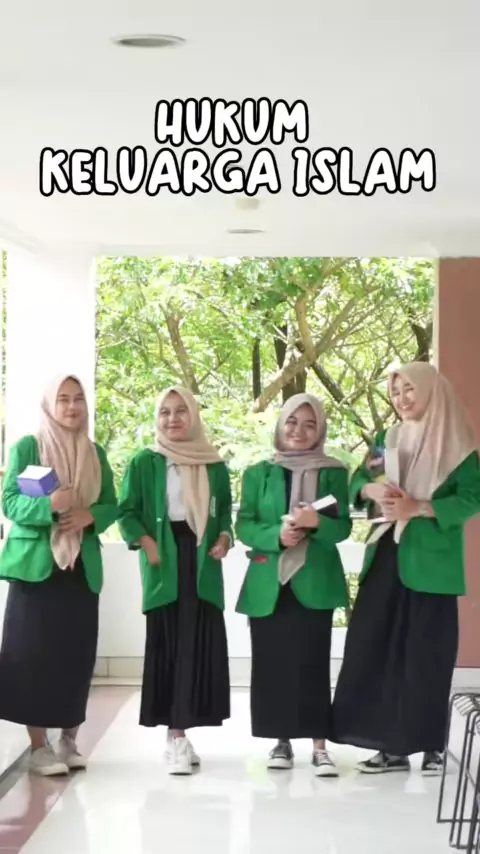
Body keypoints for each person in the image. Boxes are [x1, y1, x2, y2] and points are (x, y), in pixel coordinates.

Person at [332, 361, 480, 775]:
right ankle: (388, 747)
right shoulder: (388, 439)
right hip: (385, 555)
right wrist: (370, 488)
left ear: (432, 389)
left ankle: (431, 746)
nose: (401, 399)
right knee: (376, 646)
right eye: (395, 392)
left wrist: (420, 507)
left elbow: (472, 497)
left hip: (432, 563)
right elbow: (358, 481)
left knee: (426, 654)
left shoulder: (459, 444)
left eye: (409, 389)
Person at [0, 374, 118, 776]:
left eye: (78, 399)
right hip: (36, 568)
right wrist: (49, 505)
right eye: (63, 399)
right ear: (50, 405)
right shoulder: (28, 447)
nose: (71, 407)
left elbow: (111, 504)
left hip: (80, 569)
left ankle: (69, 741)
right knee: (32, 657)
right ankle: (39, 748)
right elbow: (9, 502)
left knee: (75, 655)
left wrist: (89, 516)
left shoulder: (95, 453)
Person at [118, 386, 233, 775]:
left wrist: (224, 538)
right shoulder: (145, 461)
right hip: (164, 558)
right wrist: (146, 541)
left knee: (196, 644)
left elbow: (224, 514)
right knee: (170, 643)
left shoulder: (213, 464)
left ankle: (181, 734)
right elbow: (127, 511)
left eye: (180, 410)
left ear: (194, 415)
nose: (172, 419)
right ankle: (176, 737)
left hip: (201, 559)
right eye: (165, 412)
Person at [235, 393, 352, 777]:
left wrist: (317, 524)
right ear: (280, 426)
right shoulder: (258, 473)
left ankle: (320, 747)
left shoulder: (333, 472)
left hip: (314, 579)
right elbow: (244, 524)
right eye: (291, 422)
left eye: (309, 424)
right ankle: (281, 741)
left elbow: (343, 527)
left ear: (320, 430)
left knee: (313, 663)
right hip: (269, 580)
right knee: (273, 665)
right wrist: (276, 535)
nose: (299, 431)